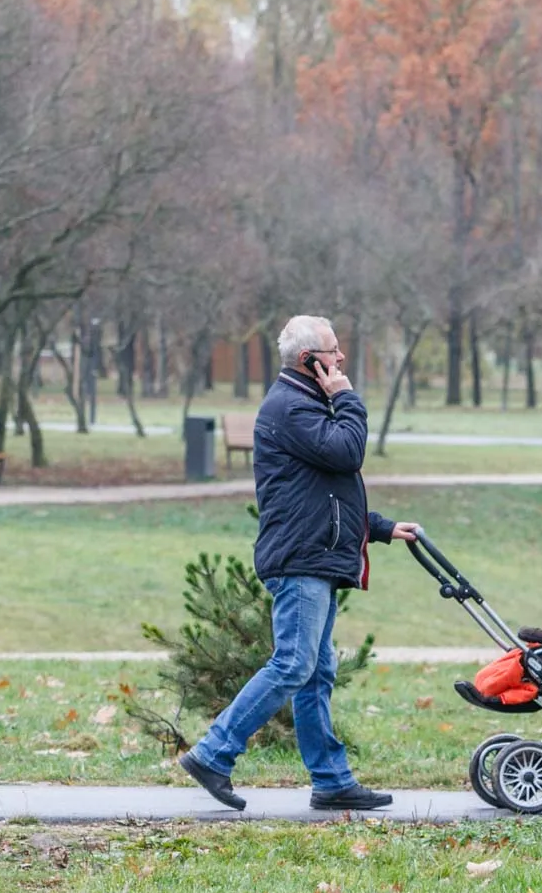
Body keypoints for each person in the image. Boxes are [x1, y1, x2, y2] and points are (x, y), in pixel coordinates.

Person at [178, 316, 418, 812]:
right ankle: (213, 753)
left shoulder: (304, 403)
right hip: (300, 560)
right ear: (311, 360)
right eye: (333, 351)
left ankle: (331, 780)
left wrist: (379, 527)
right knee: (293, 664)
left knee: (315, 673)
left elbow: (323, 490)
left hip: (313, 555)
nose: (341, 358)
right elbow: (348, 452)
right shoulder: (292, 406)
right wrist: (347, 397)